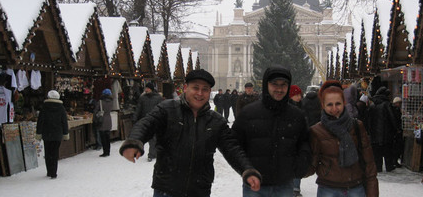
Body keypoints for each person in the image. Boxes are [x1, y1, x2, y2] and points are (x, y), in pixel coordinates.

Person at [120, 69, 261, 197]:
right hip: (166, 189)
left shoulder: (215, 120)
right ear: (186, 88)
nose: (200, 93)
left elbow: (232, 148)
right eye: (196, 88)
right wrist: (134, 141)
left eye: (205, 89)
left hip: (199, 190)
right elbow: (147, 123)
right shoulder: (168, 109)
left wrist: (247, 170)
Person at [232, 65, 311, 197]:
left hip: (285, 184)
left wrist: (300, 164)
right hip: (255, 185)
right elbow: (234, 145)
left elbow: (304, 142)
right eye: (275, 84)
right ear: (266, 85)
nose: (279, 89)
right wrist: (246, 169)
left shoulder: (297, 115)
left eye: (283, 84)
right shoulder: (249, 113)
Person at [306, 80, 378, 197]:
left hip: (355, 188)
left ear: (344, 102)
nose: (334, 109)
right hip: (328, 189)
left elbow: (369, 165)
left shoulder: (357, 126)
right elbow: (311, 164)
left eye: (338, 103)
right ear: (323, 105)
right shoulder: (316, 131)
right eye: (330, 104)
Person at [35, 90, 69, 179]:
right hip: (57, 133)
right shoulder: (61, 108)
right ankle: (54, 172)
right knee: (54, 153)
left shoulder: (44, 107)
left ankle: (49, 171)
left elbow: (40, 121)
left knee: (48, 152)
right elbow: (64, 122)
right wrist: (65, 133)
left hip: (47, 133)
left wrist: (39, 133)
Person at [368, 87, 398, 172]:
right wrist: (396, 128)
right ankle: (389, 166)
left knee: (377, 152)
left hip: (374, 134)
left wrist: (370, 131)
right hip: (386, 133)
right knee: (388, 151)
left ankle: (378, 167)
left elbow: (369, 120)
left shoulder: (372, 105)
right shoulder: (387, 104)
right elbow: (392, 118)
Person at [133, 82, 164, 162]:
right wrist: (135, 118)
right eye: (145, 88)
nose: (146, 89)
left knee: (153, 139)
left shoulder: (158, 98)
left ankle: (151, 154)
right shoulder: (142, 98)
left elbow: (162, 109)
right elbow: (138, 109)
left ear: (151, 89)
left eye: (147, 88)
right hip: (145, 120)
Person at [287, 85, 303, 197]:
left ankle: (296, 187)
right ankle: (291, 186)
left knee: (297, 165)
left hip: (299, 140)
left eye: (300, 95)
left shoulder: (302, 106)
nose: (299, 97)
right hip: (289, 140)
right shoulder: (287, 107)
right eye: (296, 95)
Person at [95, 88, 113, 157]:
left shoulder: (100, 102)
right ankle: (108, 151)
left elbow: (96, 111)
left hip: (102, 120)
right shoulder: (111, 102)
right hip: (109, 119)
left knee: (103, 137)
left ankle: (105, 152)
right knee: (108, 137)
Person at [391, 97, 404, 168]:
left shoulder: (395, 110)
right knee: (396, 147)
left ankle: (395, 161)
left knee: (397, 147)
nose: (400, 104)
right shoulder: (395, 110)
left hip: (396, 131)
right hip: (396, 131)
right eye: (399, 103)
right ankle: (394, 161)